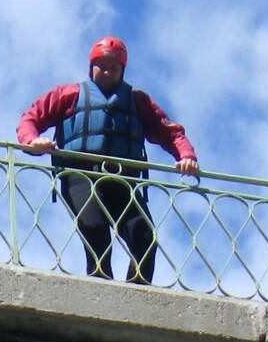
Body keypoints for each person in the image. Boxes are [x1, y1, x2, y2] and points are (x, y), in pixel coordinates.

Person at [17, 36, 198, 282]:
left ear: (122, 70)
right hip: (81, 175)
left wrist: (186, 156)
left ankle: (138, 295)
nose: (107, 70)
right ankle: (101, 286)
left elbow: (170, 132)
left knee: (144, 239)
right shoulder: (68, 94)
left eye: (114, 67)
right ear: (91, 66)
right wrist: (32, 141)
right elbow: (31, 117)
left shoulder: (137, 101)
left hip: (122, 180)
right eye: (101, 64)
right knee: (95, 231)